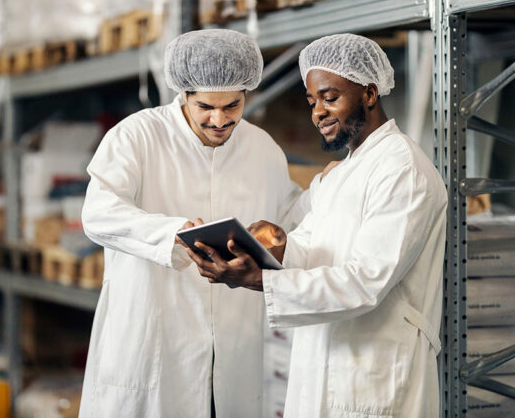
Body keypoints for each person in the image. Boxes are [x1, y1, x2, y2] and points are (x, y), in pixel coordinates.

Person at [187, 33, 448, 417]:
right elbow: (312, 248)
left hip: (377, 375)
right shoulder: (341, 173)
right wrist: (270, 247)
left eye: (330, 97)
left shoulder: (402, 169)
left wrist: (260, 280)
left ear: (369, 94)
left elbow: (365, 282)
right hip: (326, 361)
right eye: (312, 102)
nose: (318, 113)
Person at [78, 29, 310, 418]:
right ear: (184, 94)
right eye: (205, 106)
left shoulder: (262, 148)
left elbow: (286, 215)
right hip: (151, 340)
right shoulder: (138, 136)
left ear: (246, 93)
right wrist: (172, 233)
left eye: (232, 106)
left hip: (234, 351)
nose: (219, 120)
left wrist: (326, 189)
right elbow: (99, 213)